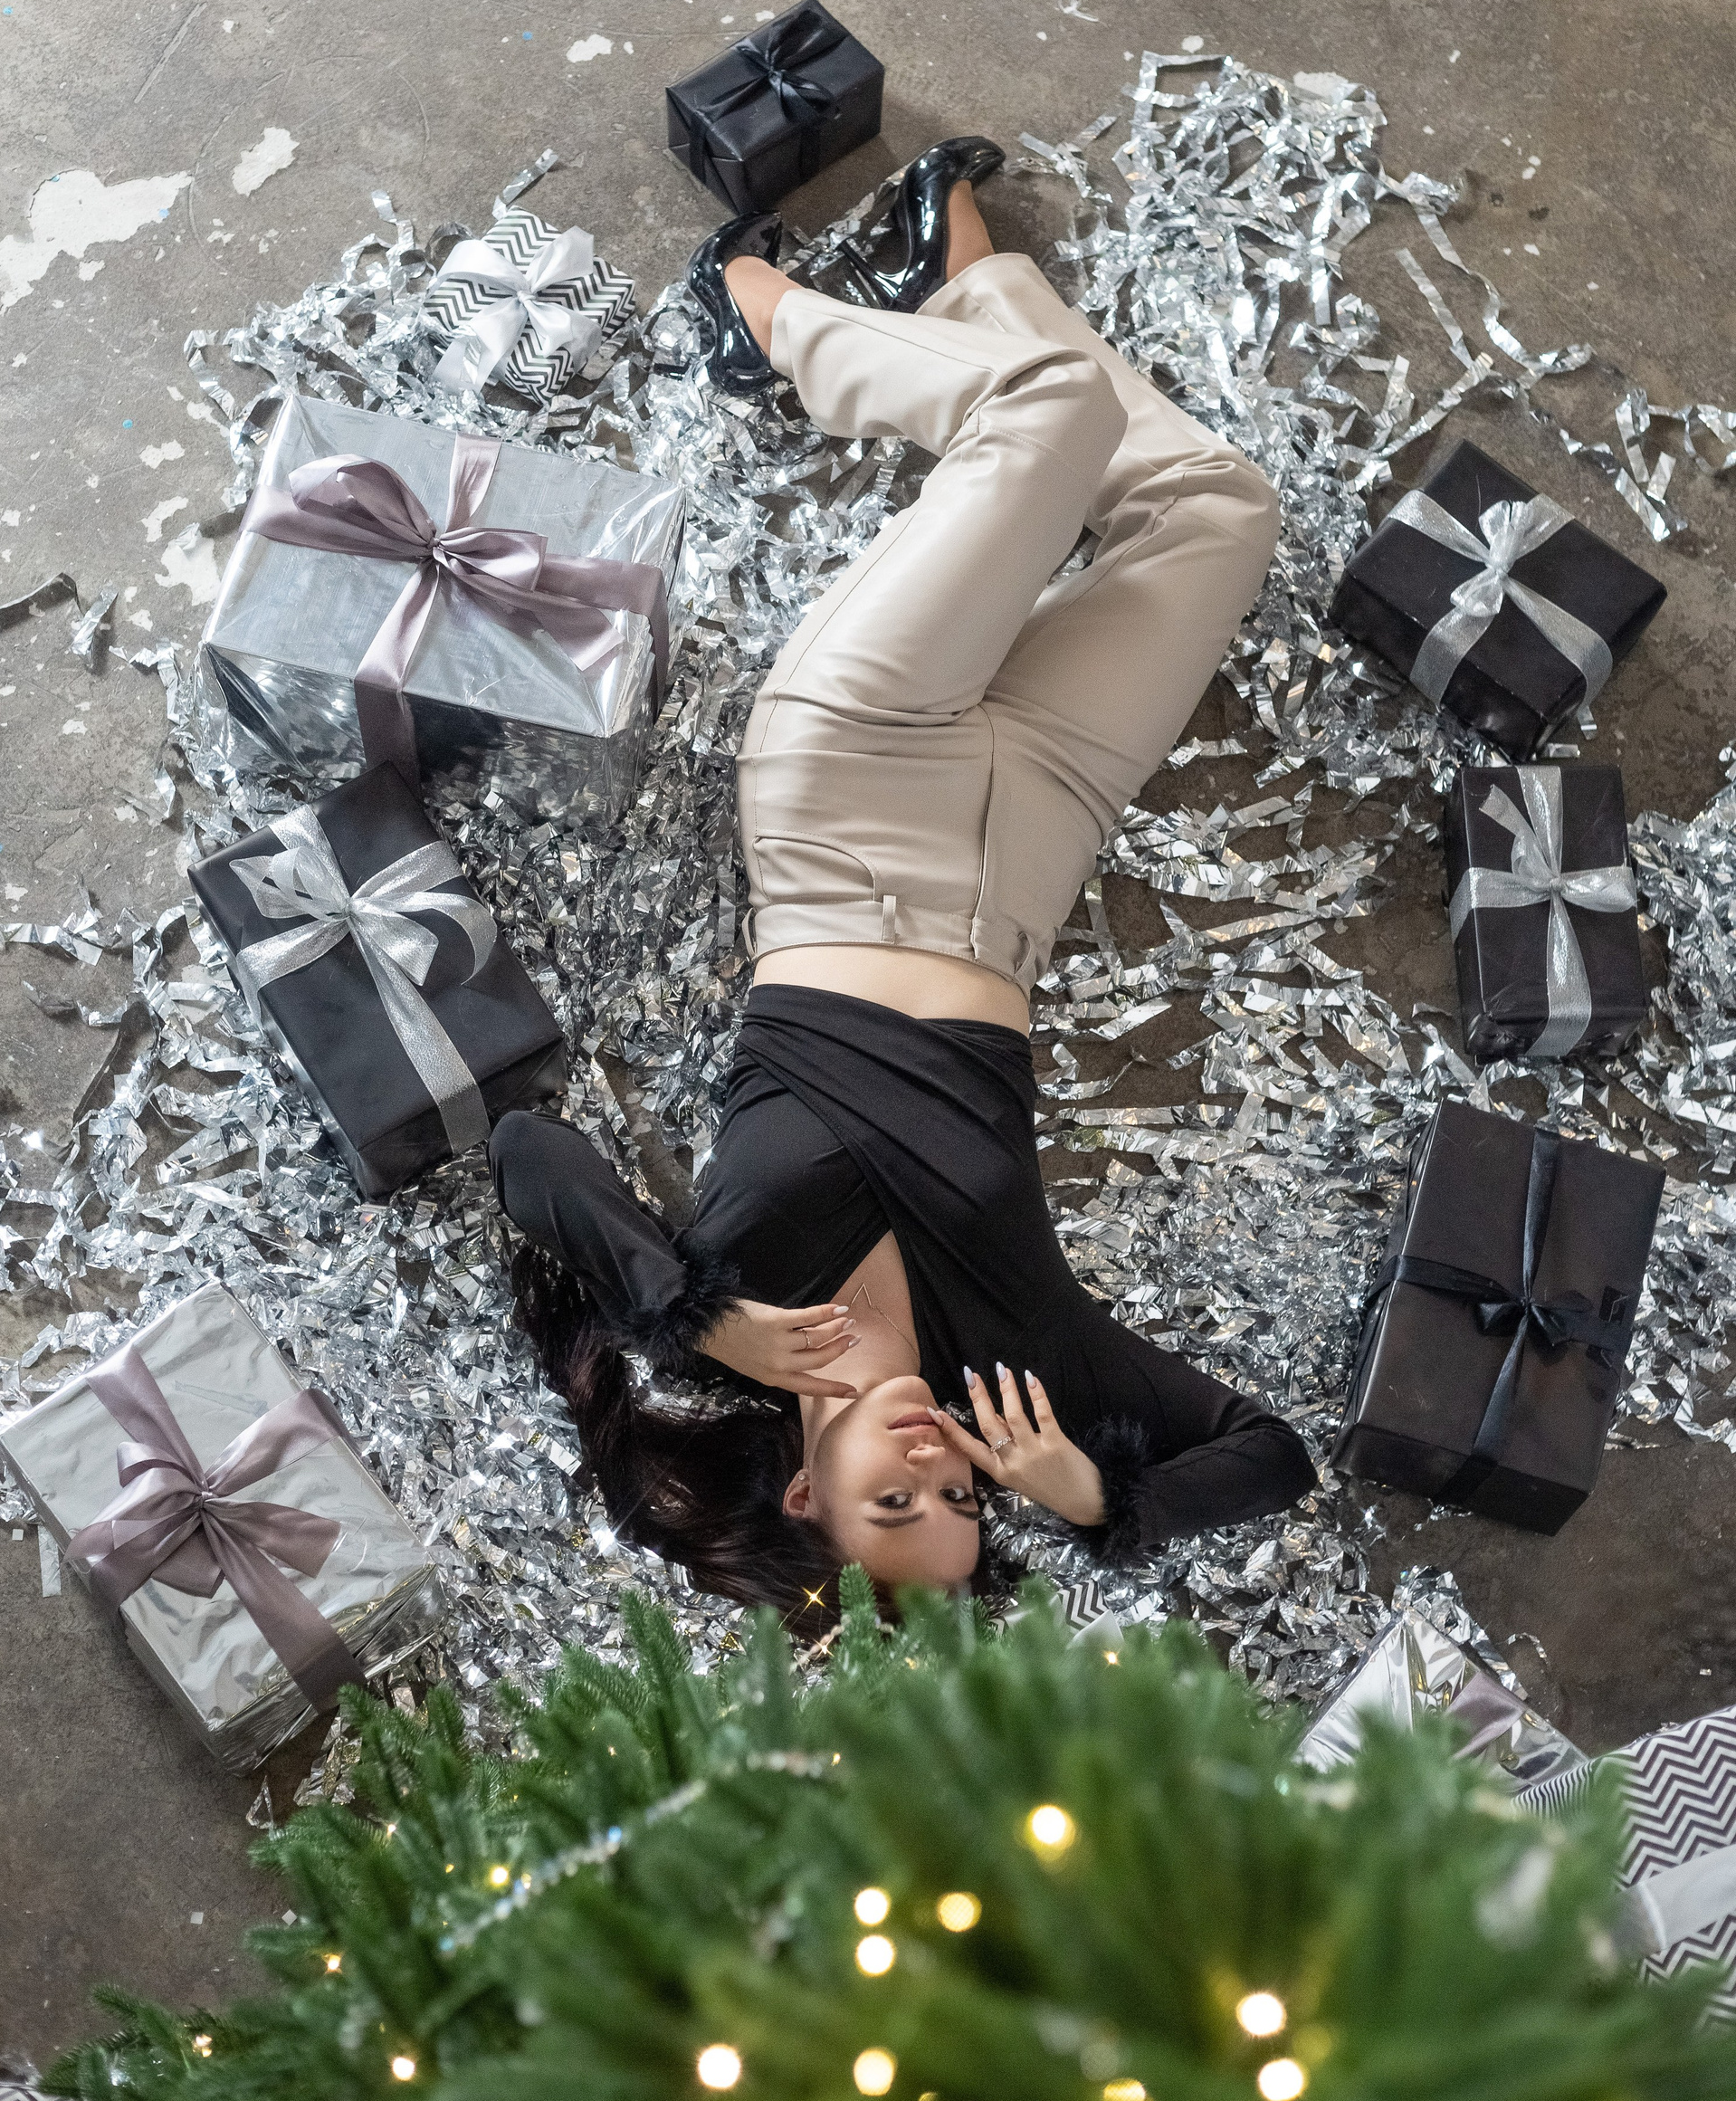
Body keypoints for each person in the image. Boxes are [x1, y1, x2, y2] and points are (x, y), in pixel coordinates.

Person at [492, 137, 1317, 1626]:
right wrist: (1096, 1497)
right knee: (1218, 511)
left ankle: (760, 314)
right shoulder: (1023, 1381)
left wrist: (692, 1315)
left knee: (1047, 416)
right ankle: (972, 280)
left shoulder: (725, 1305)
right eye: (961, 1504)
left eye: (895, 1501)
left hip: (849, 796)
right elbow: (1273, 1456)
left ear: (805, 1494)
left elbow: (525, 1153)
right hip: (1032, 837)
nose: (941, 1470)